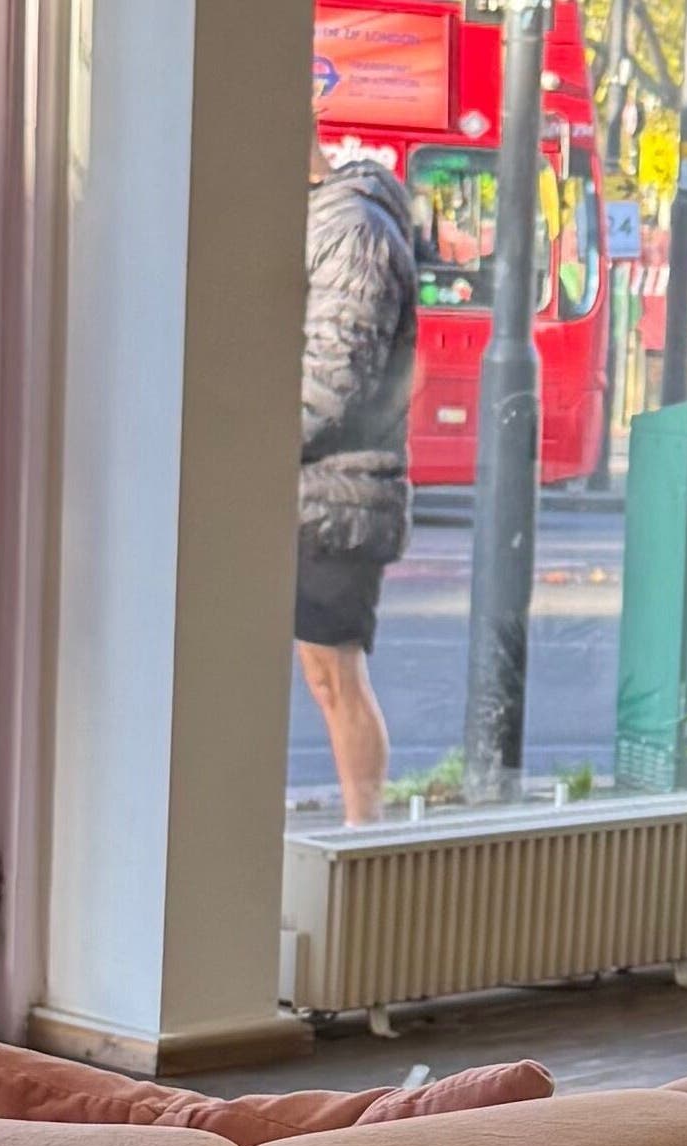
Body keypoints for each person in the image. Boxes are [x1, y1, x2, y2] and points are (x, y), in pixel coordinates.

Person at [297, 122, 419, 827]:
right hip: (309, 492)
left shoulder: (355, 229)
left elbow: (334, 385)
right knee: (322, 675)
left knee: (335, 675)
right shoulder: (319, 220)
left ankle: (362, 835)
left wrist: (240, 449)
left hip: (341, 497)